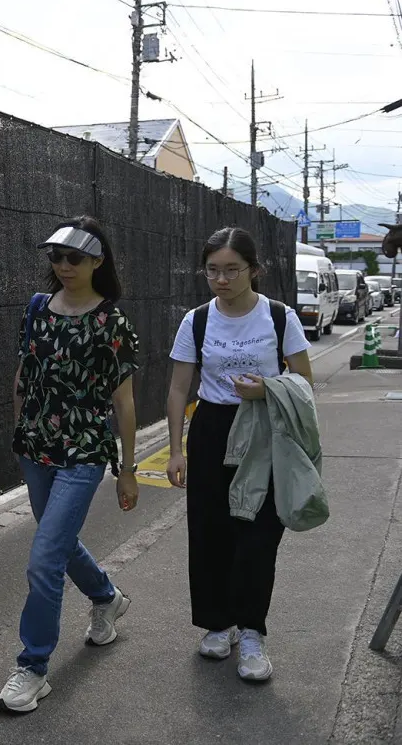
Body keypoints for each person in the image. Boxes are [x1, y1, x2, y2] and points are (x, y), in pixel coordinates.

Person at [0, 216, 140, 714]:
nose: (62, 266)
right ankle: (106, 597)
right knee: (56, 544)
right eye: (55, 257)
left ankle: (33, 668)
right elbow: (23, 374)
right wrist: (19, 436)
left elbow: (124, 403)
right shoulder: (37, 307)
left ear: (98, 261)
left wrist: (127, 469)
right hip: (34, 446)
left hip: (83, 451)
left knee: (43, 559)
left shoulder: (111, 321)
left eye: (74, 258)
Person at [164, 226, 313, 682]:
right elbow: (177, 387)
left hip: (265, 432)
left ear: (254, 270)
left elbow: (305, 381)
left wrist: (267, 388)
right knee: (209, 532)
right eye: (213, 270)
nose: (221, 279)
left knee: (257, 537)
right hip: (211, 430)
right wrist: (175, 450)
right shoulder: (198, 320)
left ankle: (251, 633)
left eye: (232, 270)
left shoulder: (280, 316)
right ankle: (217, 624)